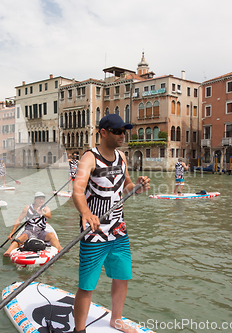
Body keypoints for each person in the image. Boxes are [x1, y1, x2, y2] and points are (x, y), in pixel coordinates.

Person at [72, 114, 150, 333]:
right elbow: (77, 190)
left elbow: (125, 186)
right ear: (103, 132)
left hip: (118, 229)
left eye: (124, 132)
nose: (122, 135)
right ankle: (79, 330)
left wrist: (138, 187)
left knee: (122, 276)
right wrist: (86, 212)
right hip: (94, 233)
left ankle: (116, 320)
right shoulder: (89, 158)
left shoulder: (121, 157)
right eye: (117, 131)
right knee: (87, 286)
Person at [3, 192, 62, 256]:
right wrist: (12, 232)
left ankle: (60, 249)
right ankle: (8, 252)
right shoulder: (27, 208)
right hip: (29, 231)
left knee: (52, 235)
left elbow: (49, 216)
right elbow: (19, 220)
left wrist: (42, 213)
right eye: (39, 199)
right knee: (21, 237)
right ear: (35, 199)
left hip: (40, 232)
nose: (41, 200)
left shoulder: (46, 208)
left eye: (42, 199)